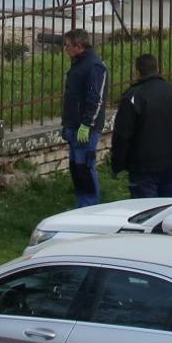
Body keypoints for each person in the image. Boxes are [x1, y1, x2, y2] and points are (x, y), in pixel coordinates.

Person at [110, 53, 172, 199]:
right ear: (158, 69)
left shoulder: (133, 97)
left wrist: (117, 163)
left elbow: (122, 134)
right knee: (168, 206)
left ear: (137, 73)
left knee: (145, 211)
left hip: (143, 166)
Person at [59, 28, 108, 208]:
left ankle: (90, 206)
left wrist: (87, 124)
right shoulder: (78, 63)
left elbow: (96, 98)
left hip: (85, 127)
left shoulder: (94, 66)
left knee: (85, 167)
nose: (66, 49)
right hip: (73, 124)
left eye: (68, 46)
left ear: (79, 46)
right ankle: (82, 203)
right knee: (76, 167)